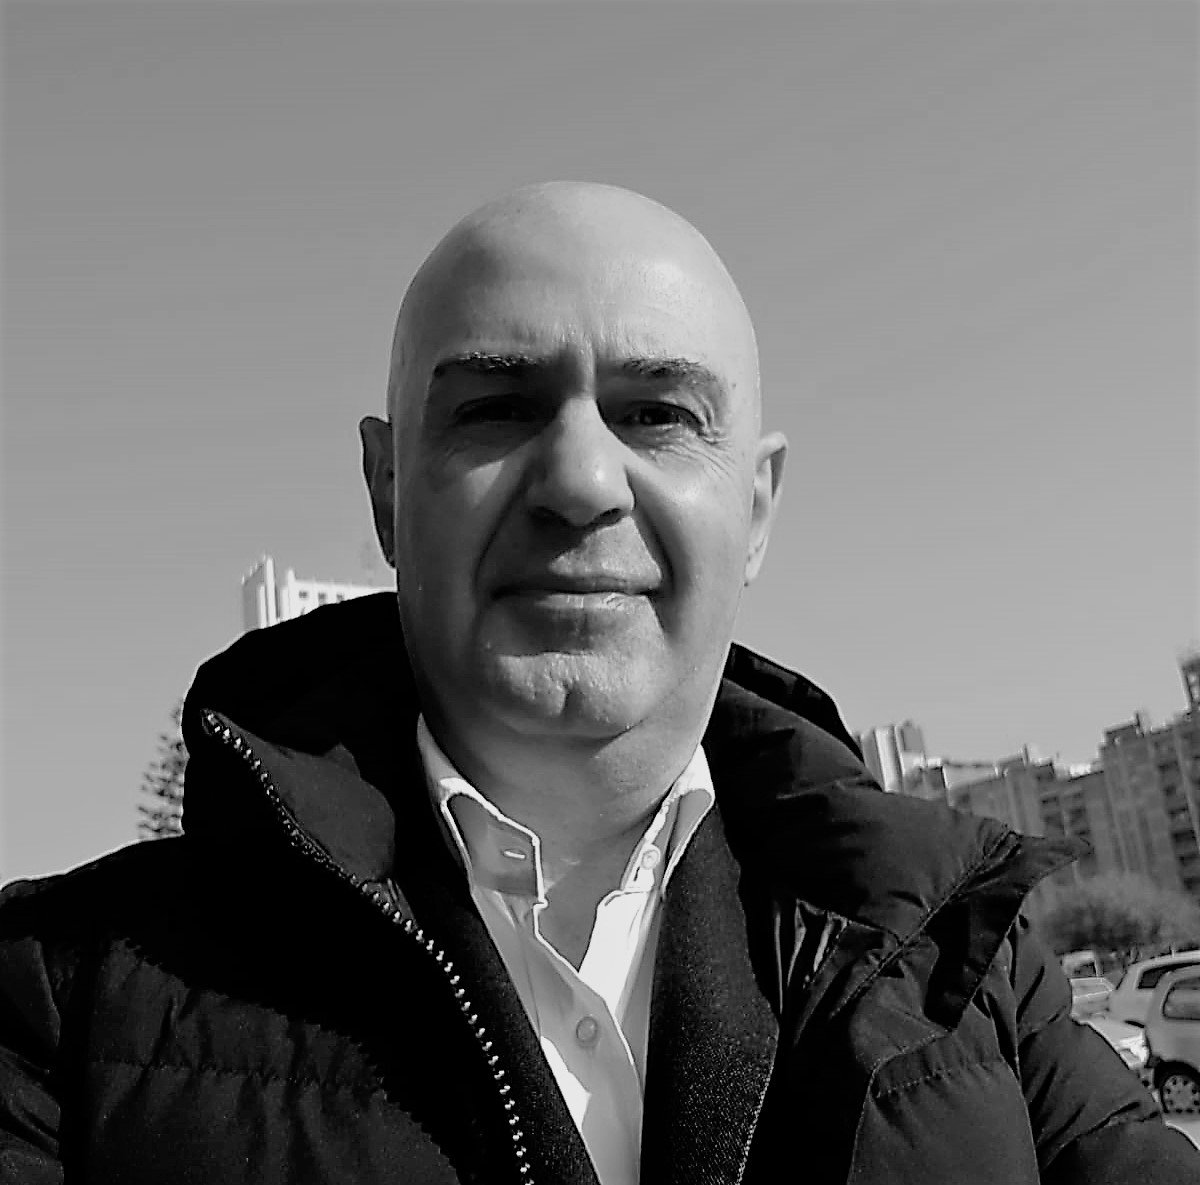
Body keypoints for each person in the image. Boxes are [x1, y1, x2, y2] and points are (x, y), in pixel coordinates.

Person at [1, 182, 1195, 1185]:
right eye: (495, 409)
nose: (579, 480)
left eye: (658, 414)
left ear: (757, 507)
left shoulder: (970, 975)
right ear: (386, 488)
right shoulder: (56, 1004)